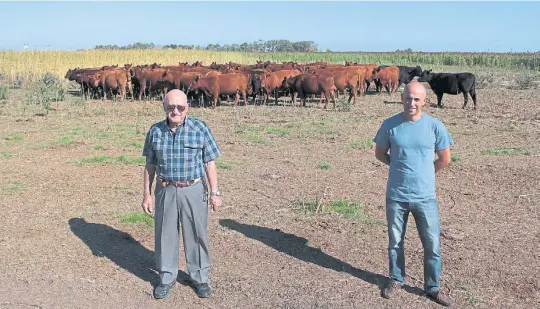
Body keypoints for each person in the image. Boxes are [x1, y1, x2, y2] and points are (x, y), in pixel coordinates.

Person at [372, 81, 453, 307]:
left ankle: (432, 287)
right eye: (408, 98)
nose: (412, 103)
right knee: (396, 241)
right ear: (402, 99)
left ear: (425, 101)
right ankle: (396, 279)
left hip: (425, 197)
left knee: (432, 244)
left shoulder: (435, 126)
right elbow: (380, 154)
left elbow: (445, 159)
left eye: (417, 99)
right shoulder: (390, 125)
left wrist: (425, 173)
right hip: (396, 196)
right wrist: (399, 168)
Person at [141, 89, 222, 300]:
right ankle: (166, 277)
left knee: (196, 234)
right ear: (164, 107)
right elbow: (150, 165)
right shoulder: (155, 131)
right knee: (165, 235)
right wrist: (147, 194)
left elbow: (209, 162)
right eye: (171, 107)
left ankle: (200, 277)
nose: (175, 111)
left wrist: (215, 192)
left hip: (193, 190)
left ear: (188, 107)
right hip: (165, 189)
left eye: (180, 107)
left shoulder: (200, 128)